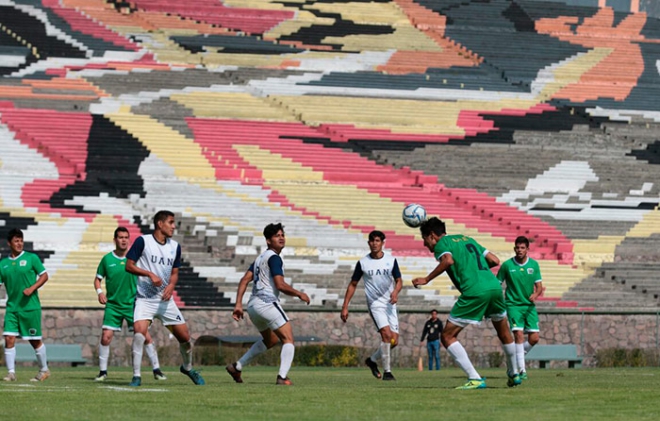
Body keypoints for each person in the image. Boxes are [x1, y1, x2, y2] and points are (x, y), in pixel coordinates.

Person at [412, 217, 521, 389]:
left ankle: (474, 378)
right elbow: (494, 260)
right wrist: (474, 268)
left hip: (475, 290)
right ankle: (514, 372)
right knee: (503, 331)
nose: (426, 245)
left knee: (447, 336)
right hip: (494, 287)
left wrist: (426, 279)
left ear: (432, 235)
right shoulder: (467, 239)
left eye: (425, 240)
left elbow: (447, 260)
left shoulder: (442, 244)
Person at [126, 210, 204, 387]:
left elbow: (175, 273)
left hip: (165, 301)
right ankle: (136, 376)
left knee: (185, 339)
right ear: (160, 224)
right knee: (139, 333)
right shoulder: (143, 241)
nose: (174, 226)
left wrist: (170, 286)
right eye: (171, 222)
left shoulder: (175, 246)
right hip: (145, 299)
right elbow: (129, 266)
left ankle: (188, 368)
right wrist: (148, 274)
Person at [225, 223, 310, 386]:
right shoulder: (274, 258)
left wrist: (238, 305)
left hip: (253, 306)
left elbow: (244, 280)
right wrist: (299, 294)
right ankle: (282, 377)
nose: (281, 238)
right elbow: (280, 285)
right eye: (277, 235)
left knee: (270, 340)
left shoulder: (259, 259)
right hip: (266, 303)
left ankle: (237, 366)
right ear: (268, 240)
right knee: (288, 339)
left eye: (282, 235)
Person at [93, 226, 165, 382]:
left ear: (129, 240)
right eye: (120, 237)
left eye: (126, 237)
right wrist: (100, 293)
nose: (123, 240)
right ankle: (103, 372)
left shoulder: (137, 259)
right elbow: (97, 279)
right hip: (113, 305)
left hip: (134, 305)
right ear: (115, 240)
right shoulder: (107, 259)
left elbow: (149, 275)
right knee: (106, 337)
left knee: (145, 336)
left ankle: (157, 369)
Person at [341, 230, 403, 381]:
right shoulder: (363, 263)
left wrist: (395, 292)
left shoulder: (391, 260)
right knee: (386, 335)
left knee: (394, 341)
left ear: (383, 243)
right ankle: (387, 372)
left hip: (390, 304)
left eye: (377, 241)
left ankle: (372, 360)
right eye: (372, 241)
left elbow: (399, 280)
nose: (375, 243)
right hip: (375, 304)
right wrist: (345, 306)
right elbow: (353, 284)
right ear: (368, 243)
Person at [0, 228, 50, 382]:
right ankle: (11, 373)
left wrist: (32, 288)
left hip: (30, 307)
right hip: (12, 308)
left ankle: (44, 370)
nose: (19, 243)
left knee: (34, 340)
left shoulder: (31, 258)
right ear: (9, 243)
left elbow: (44, 275)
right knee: (9, 338)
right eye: (16, 241)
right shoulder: (3, 264)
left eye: (21, 240)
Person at [496, 236, 543, 380]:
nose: (519, 250)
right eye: (517, 247)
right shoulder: (507, 266)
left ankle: (517, 356)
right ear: (514, 248)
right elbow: (497, 284)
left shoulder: (534, 265)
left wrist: (535, 294)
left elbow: (539, 286)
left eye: (522, 248)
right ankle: (521, 370)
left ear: (528, 249)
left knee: (534, 338)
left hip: (529, 306)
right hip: (513, 305)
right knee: (518, 334)